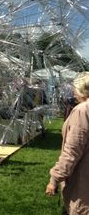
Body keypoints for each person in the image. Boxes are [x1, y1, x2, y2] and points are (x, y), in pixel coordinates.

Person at [45, 71, 89, 215]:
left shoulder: (82, 111)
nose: (73, 93)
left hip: (83, 184)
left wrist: (55, 178)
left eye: (75, 88)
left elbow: (72, 150)